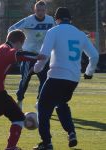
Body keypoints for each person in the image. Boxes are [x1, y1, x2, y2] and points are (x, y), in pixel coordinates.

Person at [33, 7, 99, 150]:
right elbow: (94, 56)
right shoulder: (81, 34)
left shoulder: (53, 31)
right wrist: (89, 72)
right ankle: (71, 132)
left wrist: (36, 68)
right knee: (61, 104)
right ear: (70, 20)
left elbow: (44, 55)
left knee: (42, 108)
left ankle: (47, 143)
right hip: (73, 79)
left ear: (57, 19)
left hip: (56, 76)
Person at [8, 0, 55, 109]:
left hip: (43, 56)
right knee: (25, 80)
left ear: (46, 10)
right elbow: (11, 29)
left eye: (42, 10)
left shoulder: (50, 20)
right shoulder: (28, 20)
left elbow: (57, 32)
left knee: (45, 80)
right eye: (38, 10)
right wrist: (16, 44)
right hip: (28, 56)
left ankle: (40, 102)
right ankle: (19, 101)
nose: (40, 12)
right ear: (35, 10)